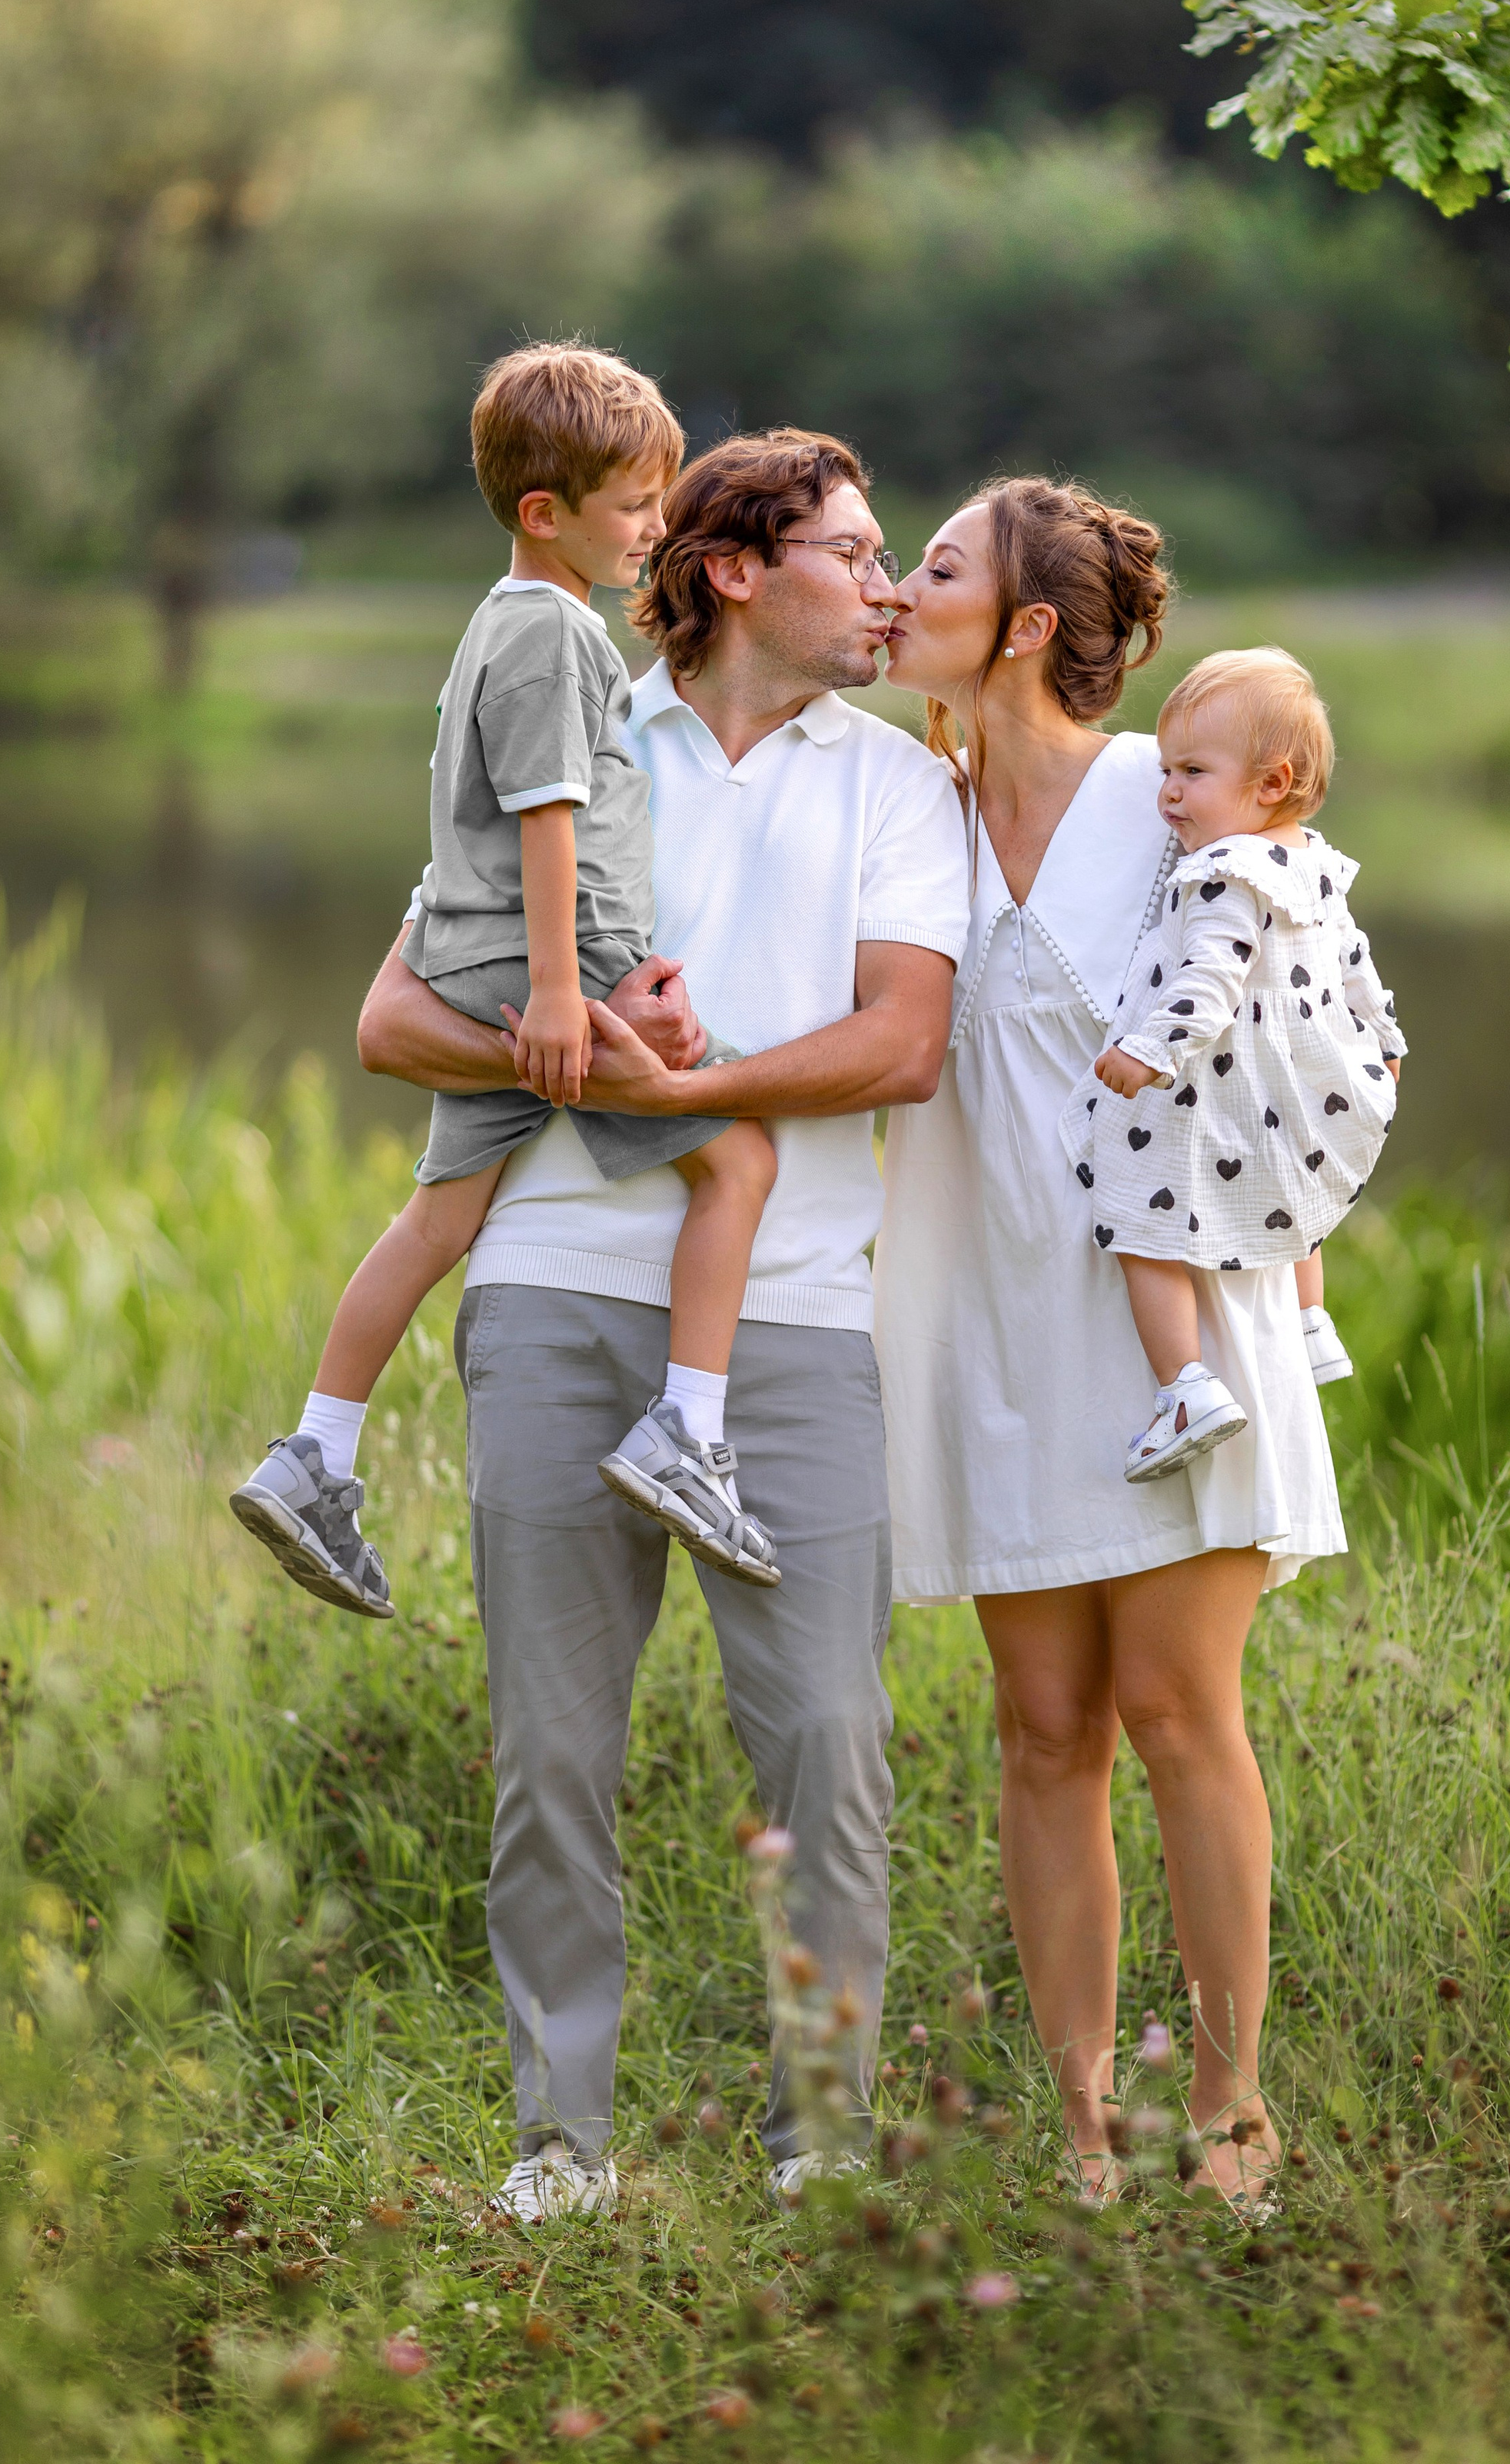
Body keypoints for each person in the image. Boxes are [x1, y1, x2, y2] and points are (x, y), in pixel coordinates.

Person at [357, 430, 970, 2220]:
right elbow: (396, 1017)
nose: (882, 589)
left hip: (790, 1324)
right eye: (851, 556)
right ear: (728, 572)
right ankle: (561, 2141)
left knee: (827, 1744)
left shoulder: (894, 787)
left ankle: (822, 2137)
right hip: (548, 1295)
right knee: (551, 1745)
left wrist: (694, 1091)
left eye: (887, 560)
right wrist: (599, 1079)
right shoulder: (566, 730)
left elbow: (901, 1046)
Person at [873, 479, 1347, 2215]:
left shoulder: (1169, 810)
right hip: (989, 1320)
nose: (888, 586)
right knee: (1038, 1724)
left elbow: (1306, 1036)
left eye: (926, 566)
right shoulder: (899, 810)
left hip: (1169, 1321)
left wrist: (1296, 1269)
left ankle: (1228, 2113)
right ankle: (1080, 2133)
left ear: (1013, 627)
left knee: (1172, 1707)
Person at [229, 348, 784, 1617]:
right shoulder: (552, 631)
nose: (658, 526)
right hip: (544, 959)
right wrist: (557, 990)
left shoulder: (500, 619)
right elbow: (546, 813)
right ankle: (688, 1428)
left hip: (483, 952)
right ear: (548, 513)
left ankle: (316, 1449)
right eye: (637, 505)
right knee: (742, 1157)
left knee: (439, 1217)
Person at [1062, 646, 1405, 1481]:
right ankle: (1308, 1321)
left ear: (1271, 781)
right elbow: (1356, 963)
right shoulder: (1313, 861)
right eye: (1165, 768)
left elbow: (1206, 983)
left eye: (1191, 770)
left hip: (1210, 1083)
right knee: (1294, 1181)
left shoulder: (1219, 870)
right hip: (1292, 1084)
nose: (1167, 790)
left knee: (1140, 1225)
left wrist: (1146, 1051)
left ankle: (1184, 1388)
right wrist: (1386, 1041)